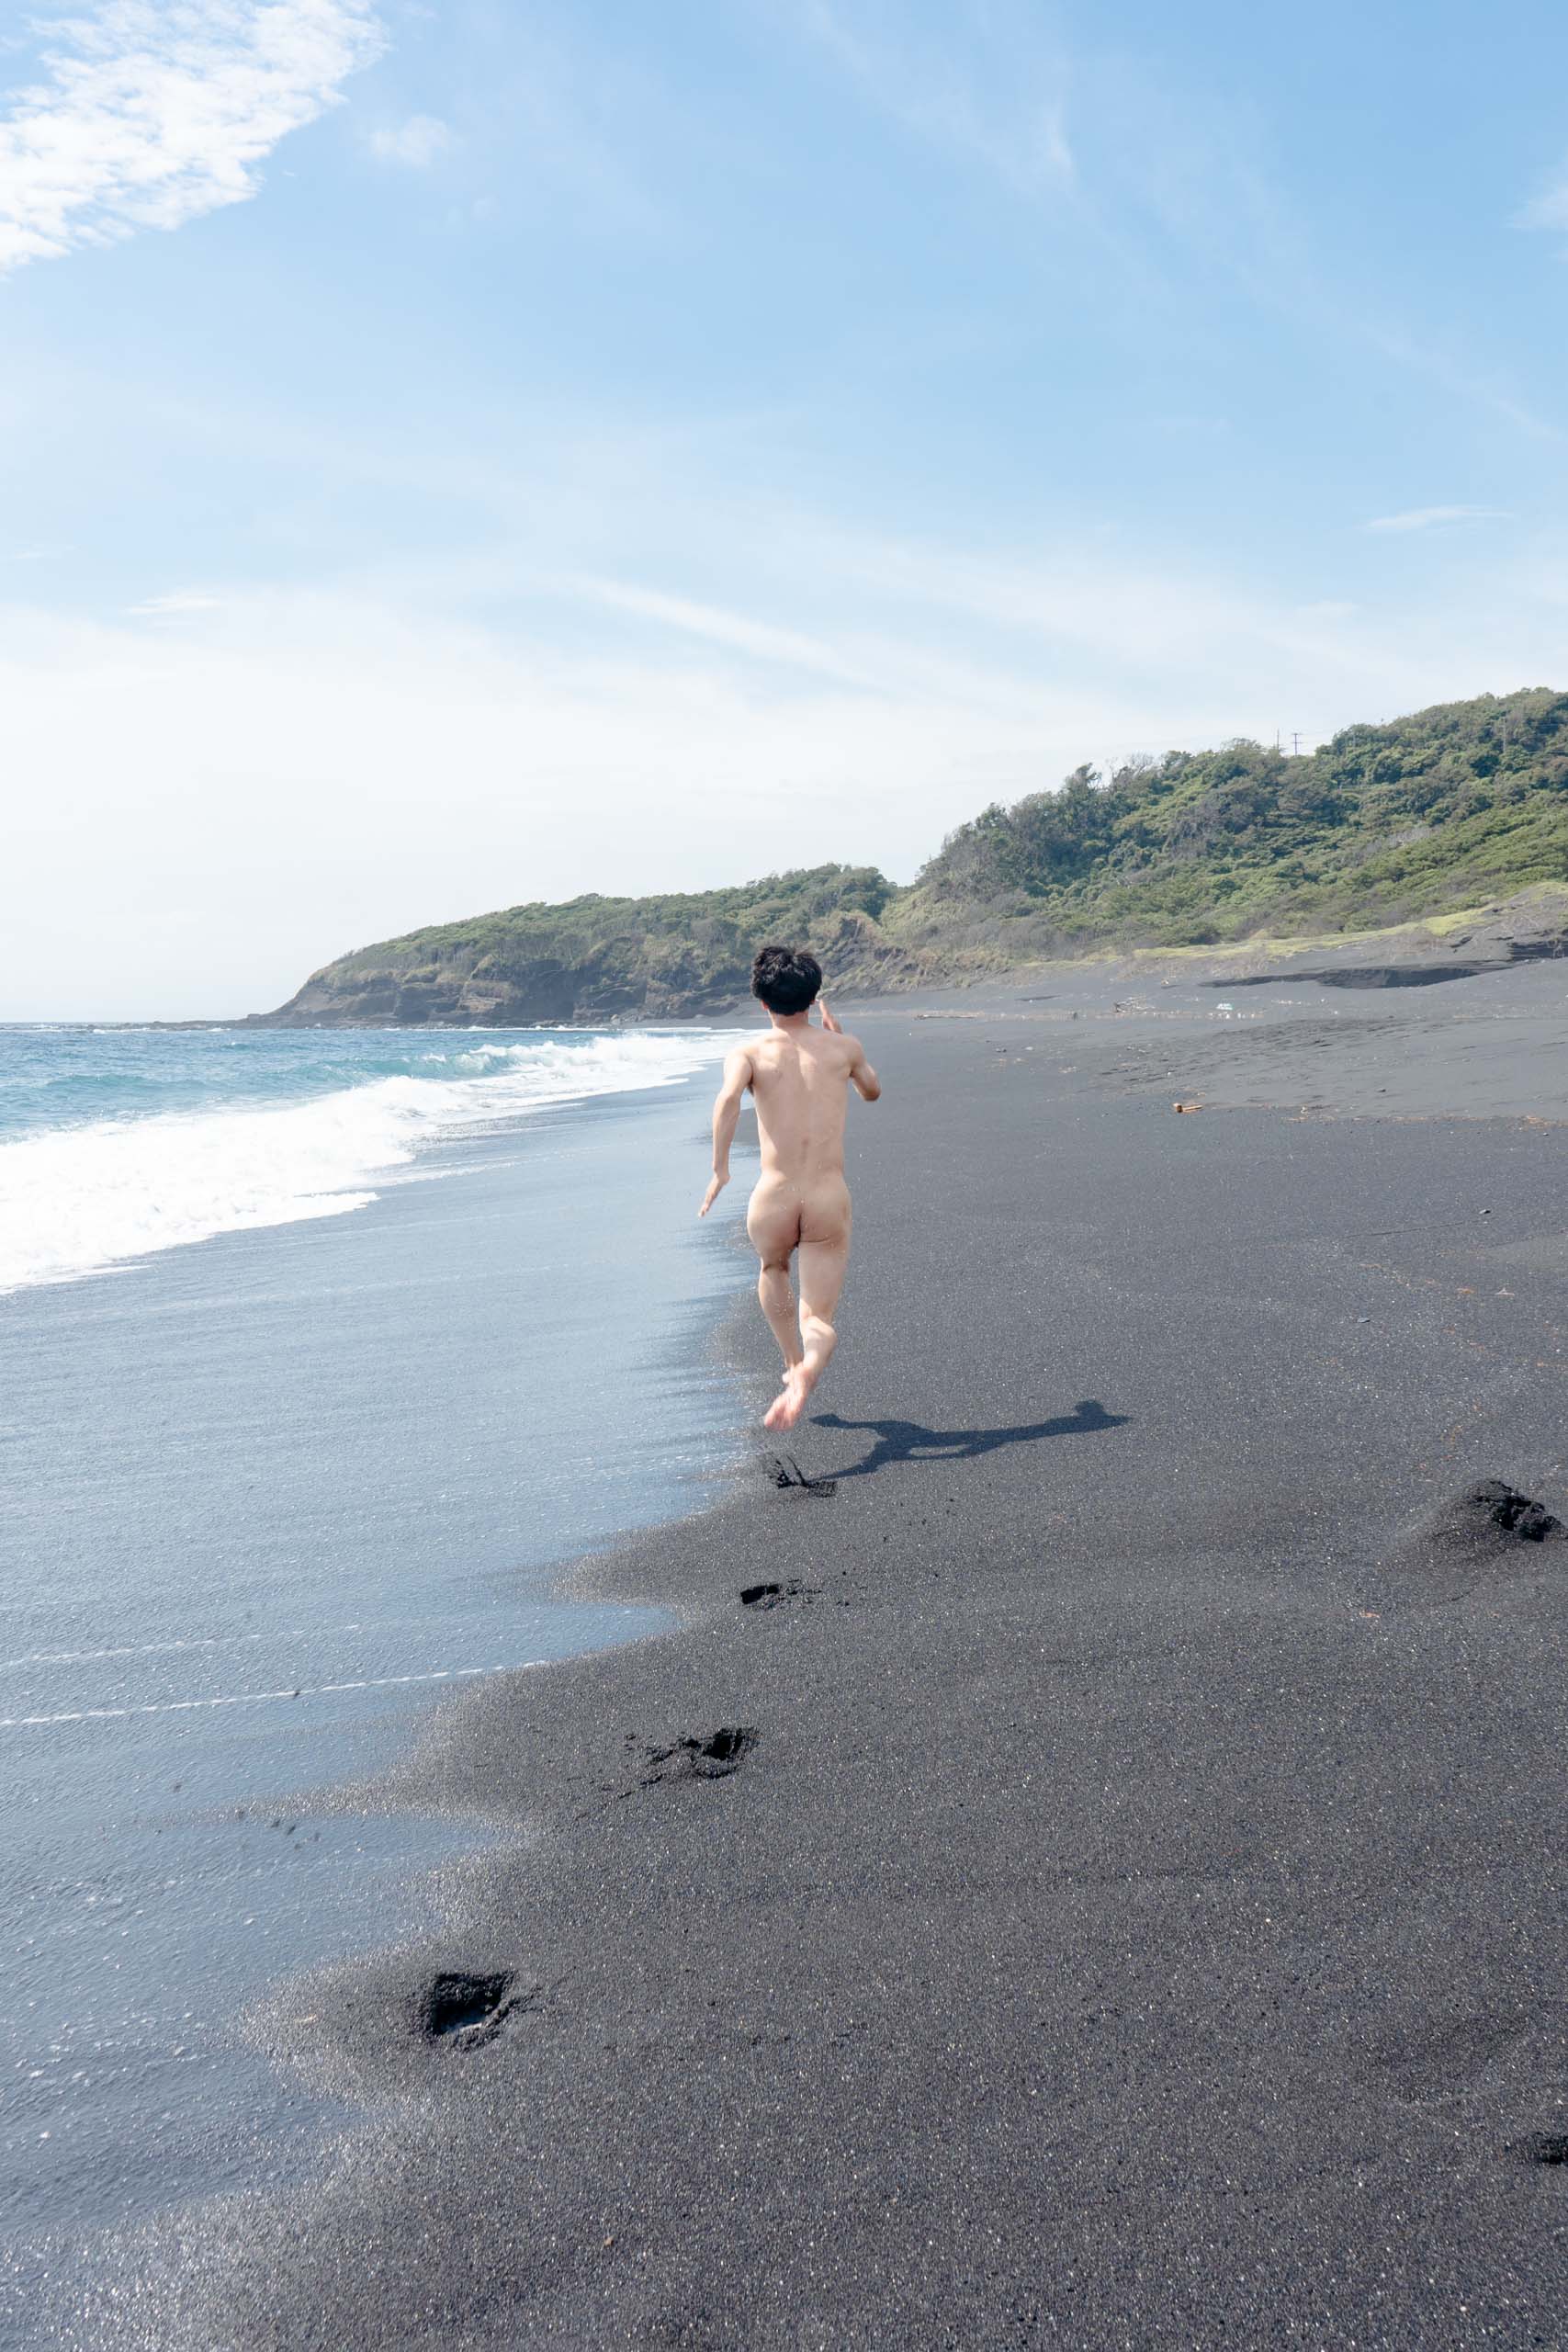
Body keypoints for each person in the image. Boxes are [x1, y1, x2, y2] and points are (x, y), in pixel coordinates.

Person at [699, 945, 881, 1431]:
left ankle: (791, 1362)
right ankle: (808, 1369)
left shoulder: (749, 1052)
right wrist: (839, 1039)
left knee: (773, 1268)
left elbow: (728, 1099)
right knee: (817, 1316)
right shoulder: (844, 1048)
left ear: (762, 1001)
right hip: (827, 1197)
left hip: (773, 1196)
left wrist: (720, 1170)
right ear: (813, 997)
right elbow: (872, 1091)